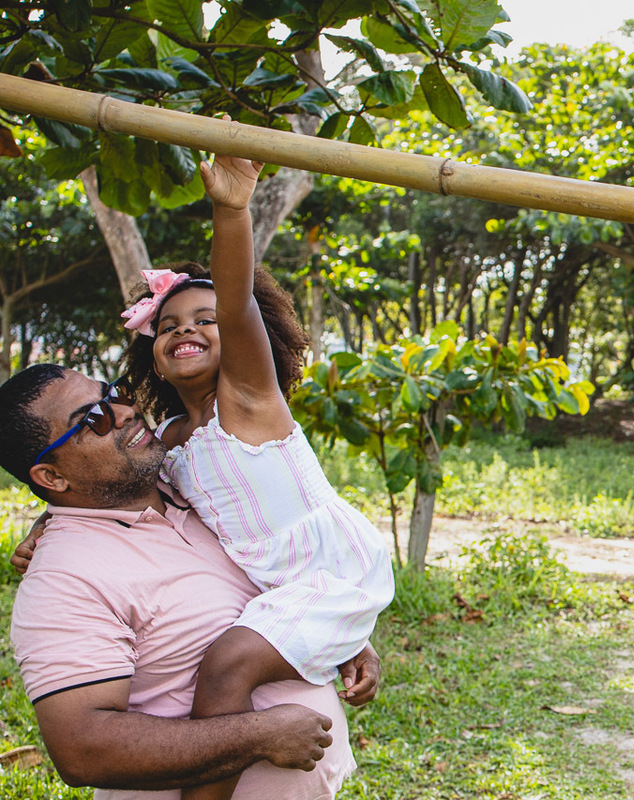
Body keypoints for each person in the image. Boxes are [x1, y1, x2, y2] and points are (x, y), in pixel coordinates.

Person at [108, 153, 395, 800]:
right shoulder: (171, 444)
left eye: (203, 322)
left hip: (329, 570)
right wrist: (49, 524)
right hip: (275, 587)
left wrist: (232, 209)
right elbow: (122, 491)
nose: (187, 330)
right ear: (150, 354)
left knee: (227, 667)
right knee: (220, 658)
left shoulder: (248, 399)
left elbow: (236, 304)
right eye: (170, 326)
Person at [0, 364, 379, 798]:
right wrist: (258, 736)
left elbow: (277, 565)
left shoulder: (201, 483)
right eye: (93, 420)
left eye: (116, 394)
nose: (124, 412)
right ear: (52, 477)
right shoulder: (62, 580)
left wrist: (330, 630)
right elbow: (83, 747)